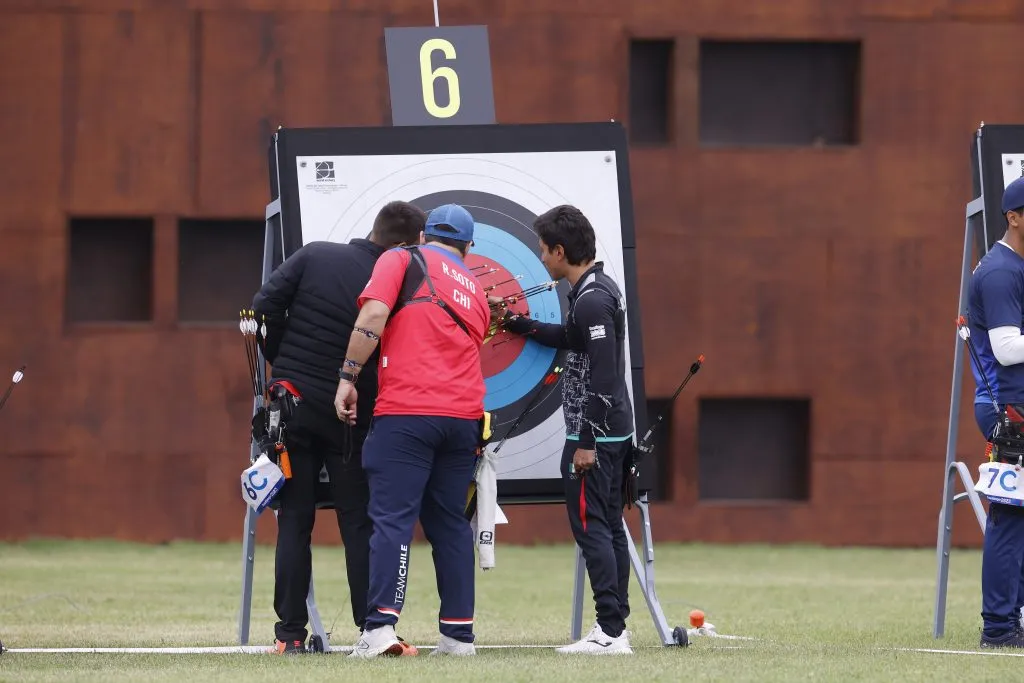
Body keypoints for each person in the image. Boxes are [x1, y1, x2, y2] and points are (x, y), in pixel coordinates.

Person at [251, 200, 427, 655]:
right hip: (353, 415)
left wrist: (283, 358)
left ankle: (288, 635)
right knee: (359, 523)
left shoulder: (315, 254)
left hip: (292, 408)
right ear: (406, 245)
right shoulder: (401, 278)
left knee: (294, 520)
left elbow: (262, 306)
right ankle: (373, 631)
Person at [334, 203, 491, 658]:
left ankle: (380, 628)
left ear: (424, 236)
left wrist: (348, 377)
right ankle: (458, 636)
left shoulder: (401, 259)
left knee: (392, 519)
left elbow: (374, 315)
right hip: (463, 420)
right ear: (468, 246)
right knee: (449, 525)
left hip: (406, 414)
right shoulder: (475, 290)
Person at [497, 205, 635, 655]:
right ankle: (617, 627)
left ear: (560, 251)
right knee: (608, 525)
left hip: (595, 436)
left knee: (593, 526)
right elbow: (572, 339)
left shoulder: (593, 298)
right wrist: (518, 323)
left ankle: (610, 631)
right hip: (611, 431)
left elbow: (605, 377)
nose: (539, 258)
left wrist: (585, 441)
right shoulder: (594, 291)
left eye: (542, 250)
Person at [968, 175, 1024, 649]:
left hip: (1014, 405)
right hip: (1008, 411)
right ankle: (999, 627)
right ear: (1014, 217)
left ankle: (1012, 619)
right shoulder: (1003, 271)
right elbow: (1007, 349)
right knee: (1010, 515)